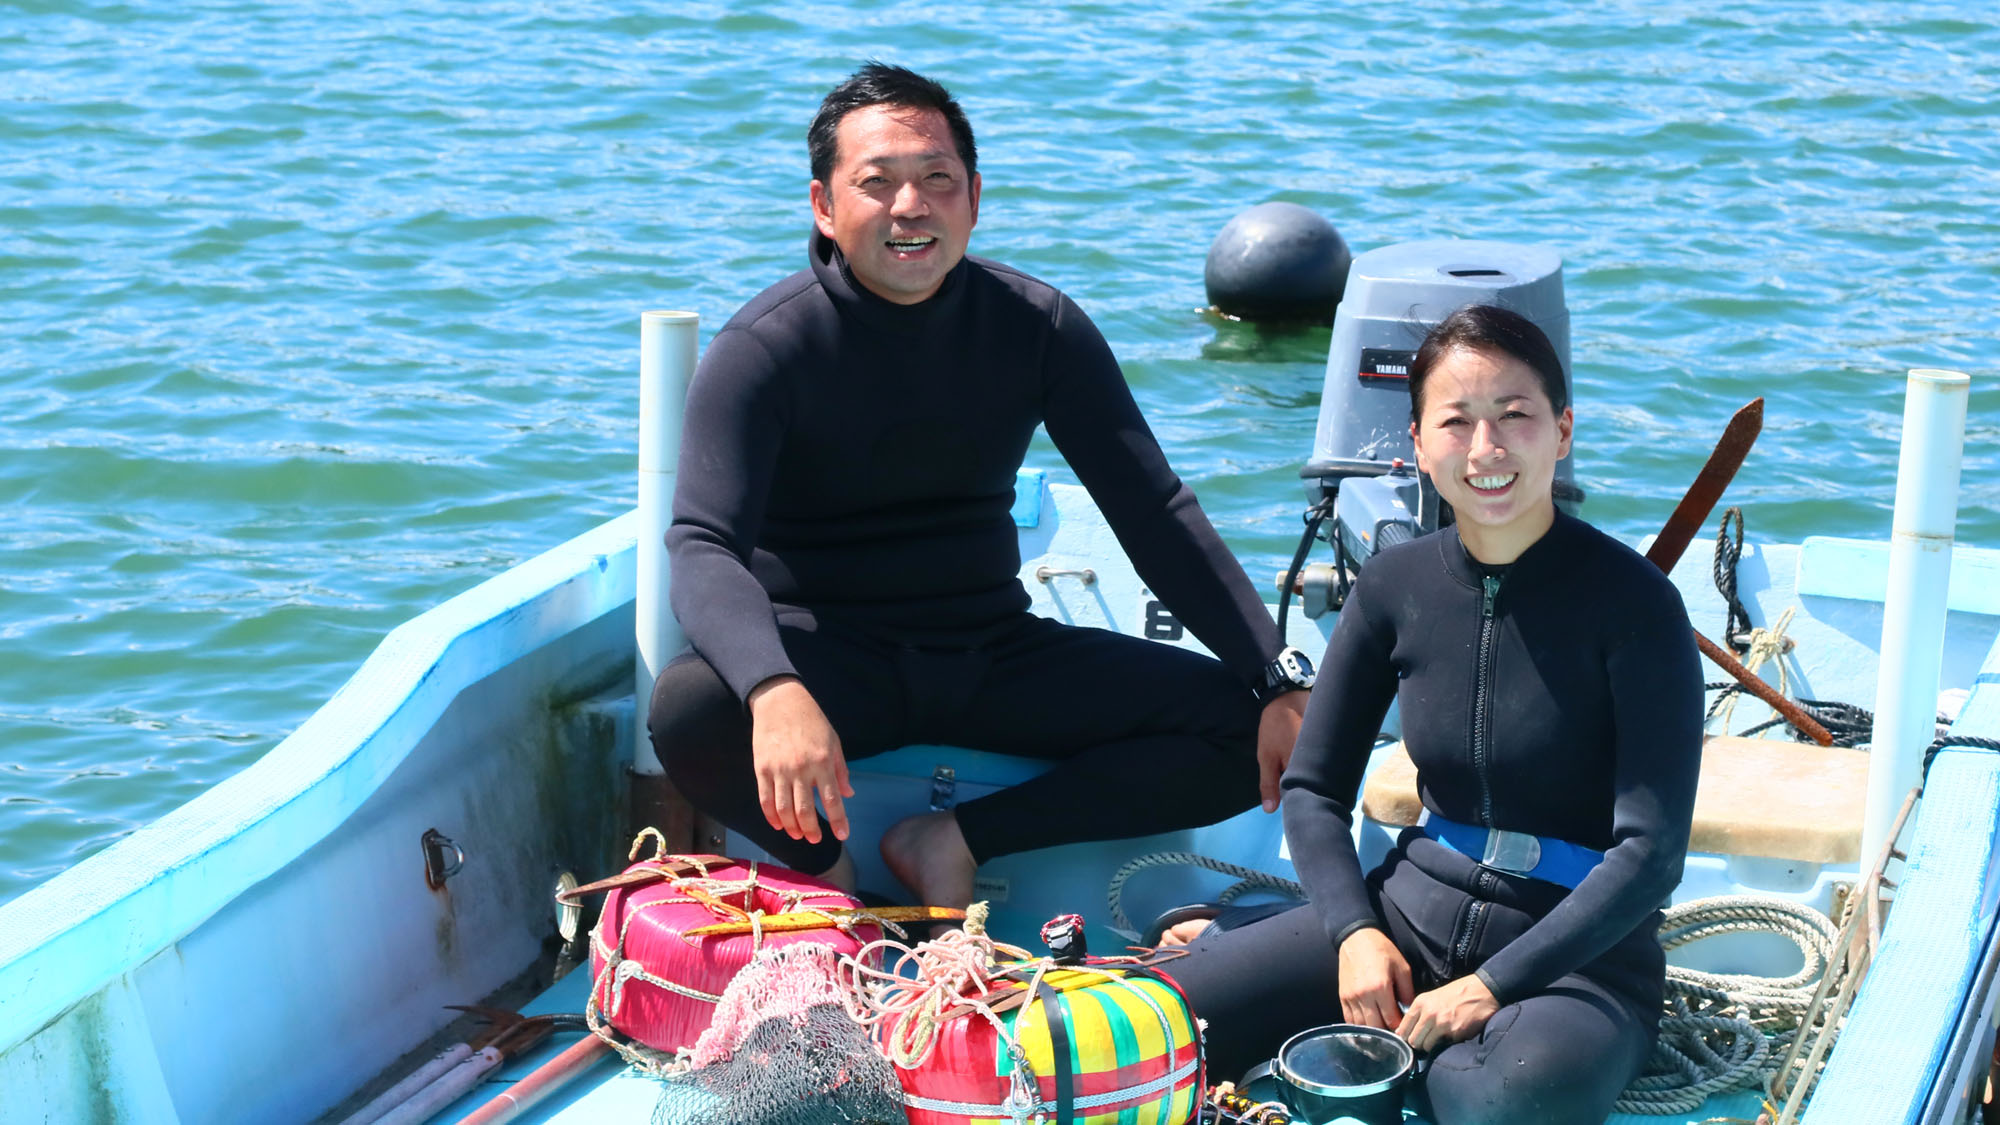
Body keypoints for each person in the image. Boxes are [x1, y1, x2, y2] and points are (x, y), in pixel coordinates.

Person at [647, 62, 1313, 910]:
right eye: (876, 183)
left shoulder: (1037, 327)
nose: (910, 207)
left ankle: (955, 840)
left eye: (937, 179)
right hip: (829, 655)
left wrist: (1275, 672)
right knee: (692, 707)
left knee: (1245, 727)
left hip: (989, 649)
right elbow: (703, 546)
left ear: (973, 197)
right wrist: (775, 689)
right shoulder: (767, 349)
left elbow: (1152, 511)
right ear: (823, 205)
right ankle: (829, 877)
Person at [1164, 304, 1703, 1124]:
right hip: (1407, 916)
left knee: (1496, 1096)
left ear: (1561, 432)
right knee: (1158, 1023)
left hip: (1579, 963)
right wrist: (1352, 931)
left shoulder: (1636, 604)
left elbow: (1651, 853)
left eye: (1515, 416)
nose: (1486, 450)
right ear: (1417, 444)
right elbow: (1312, 791)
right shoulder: (1394, 586)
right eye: (1456, 422)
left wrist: (1487, 989)